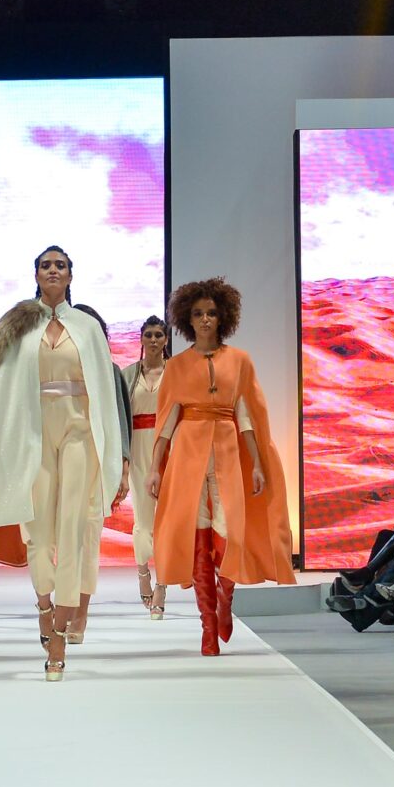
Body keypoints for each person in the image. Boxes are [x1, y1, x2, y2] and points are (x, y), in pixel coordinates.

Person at [0, 245, 125, 680]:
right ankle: (45, 603)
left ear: (71, 275)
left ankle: (59, 635)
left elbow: (105, 397)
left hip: (78, 433)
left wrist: (115, 452)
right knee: (37, 531)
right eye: (47, 265)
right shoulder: (21, 326)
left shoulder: (87, 328)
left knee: (72, 525)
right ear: (36, 274)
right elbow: (5, 393)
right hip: (34, 433)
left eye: (61, 265)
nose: (54, 271)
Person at [149, 276, 295, 657]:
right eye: (197, 314)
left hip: (229, 449)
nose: (205, 320)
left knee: (228, 533)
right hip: (187, 452)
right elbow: (166, 421)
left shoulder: (240, 361)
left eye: (212, 313)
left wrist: (259, 464)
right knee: (196, 535)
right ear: (186, 319)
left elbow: (247, 415)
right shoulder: (177, 366)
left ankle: (225, 601)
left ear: (223, 317)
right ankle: (207, 626)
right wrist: (154, 468)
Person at [123, 316, 170, 619]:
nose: (153, 340)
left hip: (169, 447)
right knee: (143, 518)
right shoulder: (128, 375)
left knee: (167, 521)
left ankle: (163, 585)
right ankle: (143, 573)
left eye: (159, 335)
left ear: (166, 340)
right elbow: (121, 417)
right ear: (141, 338)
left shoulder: (175, 372)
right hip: (139, 448)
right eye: (149, 335)